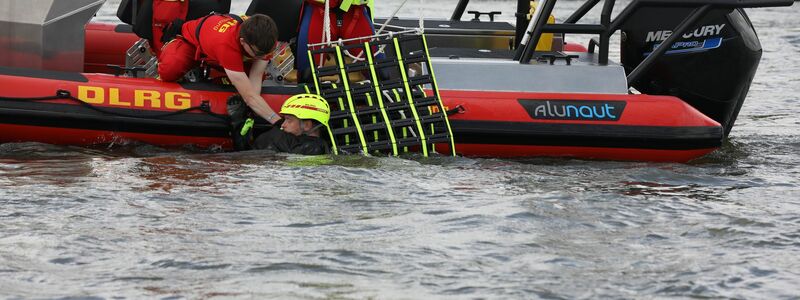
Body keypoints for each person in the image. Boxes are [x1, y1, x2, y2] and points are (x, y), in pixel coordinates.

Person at [157, 13, 283, 125]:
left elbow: (255, 77)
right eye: (260, 53)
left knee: (249, 81)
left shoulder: (265, 41)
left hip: (225, 50)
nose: (264, 57)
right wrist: (277, 122)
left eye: (268, 53)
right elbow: (250, 96)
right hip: (191, 42)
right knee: (170, 69)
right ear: (243, 42)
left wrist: (250, 108)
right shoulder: (227, 45)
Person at [251, 93, 331, 155]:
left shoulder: (312, 148)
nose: (282, 125)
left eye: (289, 120)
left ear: (307, 125)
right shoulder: (320, 146)